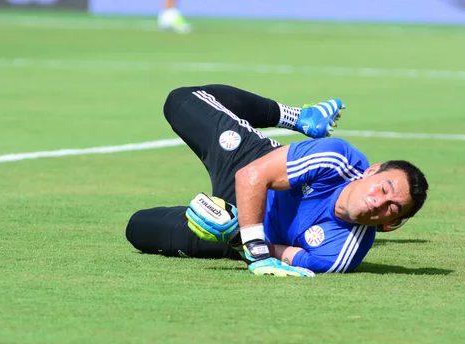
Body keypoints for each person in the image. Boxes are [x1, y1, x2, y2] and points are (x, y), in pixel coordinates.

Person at [126, 84, 429, 277]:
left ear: (392, 224)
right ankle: (296, 117)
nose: (379, 201)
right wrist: (255, 250)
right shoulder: (338, 158)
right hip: (251, 162)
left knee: (138, 229)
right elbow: (251, 176)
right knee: (180, 101)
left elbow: (284, 254)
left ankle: (232, 232)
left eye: (393, 208)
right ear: (372, 171)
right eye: (384, 188)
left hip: (240, 231)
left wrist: (235, 237)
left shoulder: (342, 254)